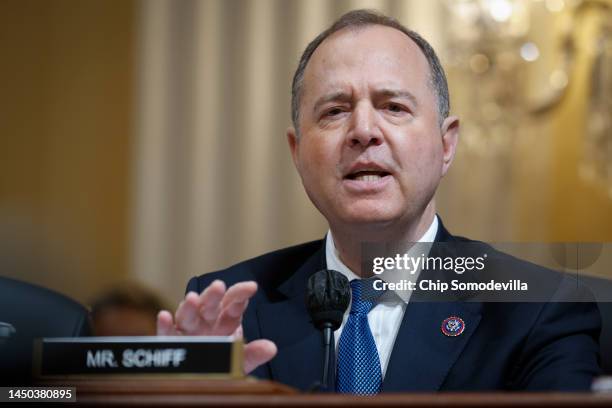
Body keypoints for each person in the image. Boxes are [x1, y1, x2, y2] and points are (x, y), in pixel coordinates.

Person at [157, 9, 601, 392]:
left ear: (446, 145)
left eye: (393, 106)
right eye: (334, 111)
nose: (363, 131)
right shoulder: (231, 311)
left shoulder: (537, 309)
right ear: (296, 152)